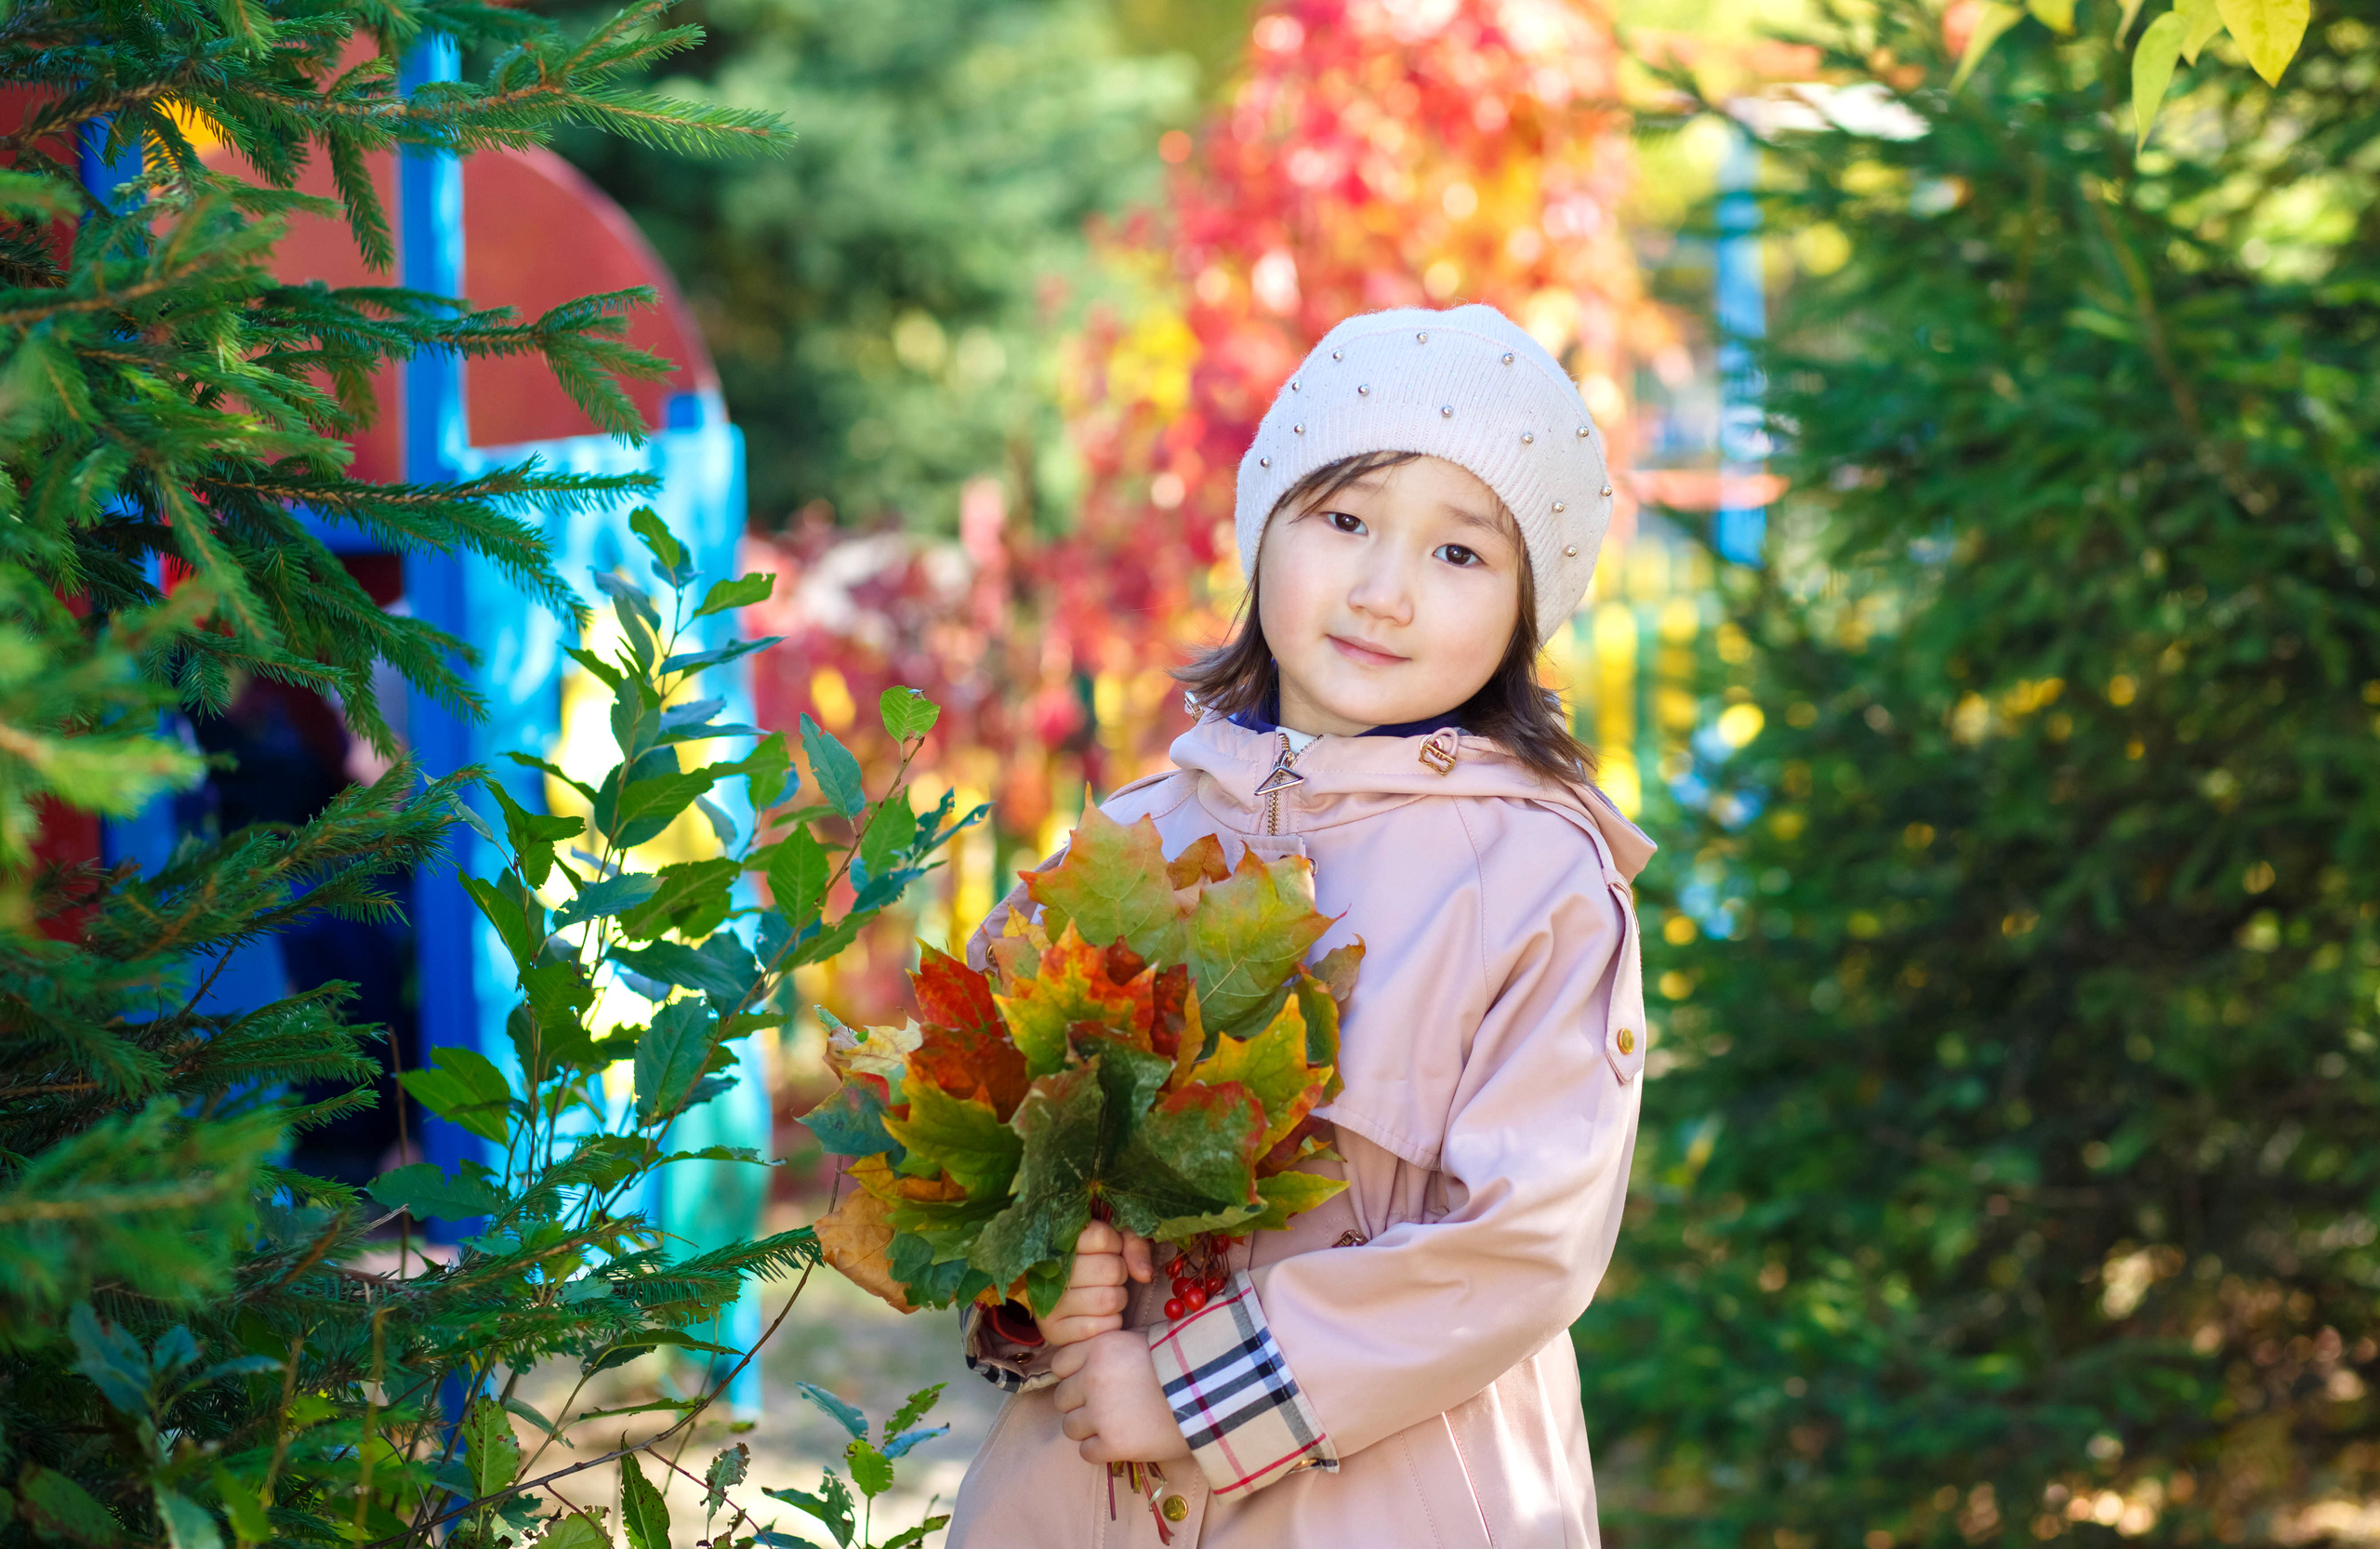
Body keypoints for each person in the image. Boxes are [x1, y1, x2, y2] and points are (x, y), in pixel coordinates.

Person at [949, 304, 1654, 1548]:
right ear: (1264, 525)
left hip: (1391, 1503)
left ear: (1521, 610)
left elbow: (1523, 1244)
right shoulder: (1129, 842)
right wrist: (1035, 1289)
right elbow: (982, 1137)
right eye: (1344, 520)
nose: (1384, 591)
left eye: (1459, 554)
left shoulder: (1537, 878)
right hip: (1081, 1499)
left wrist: (1192, 1387)